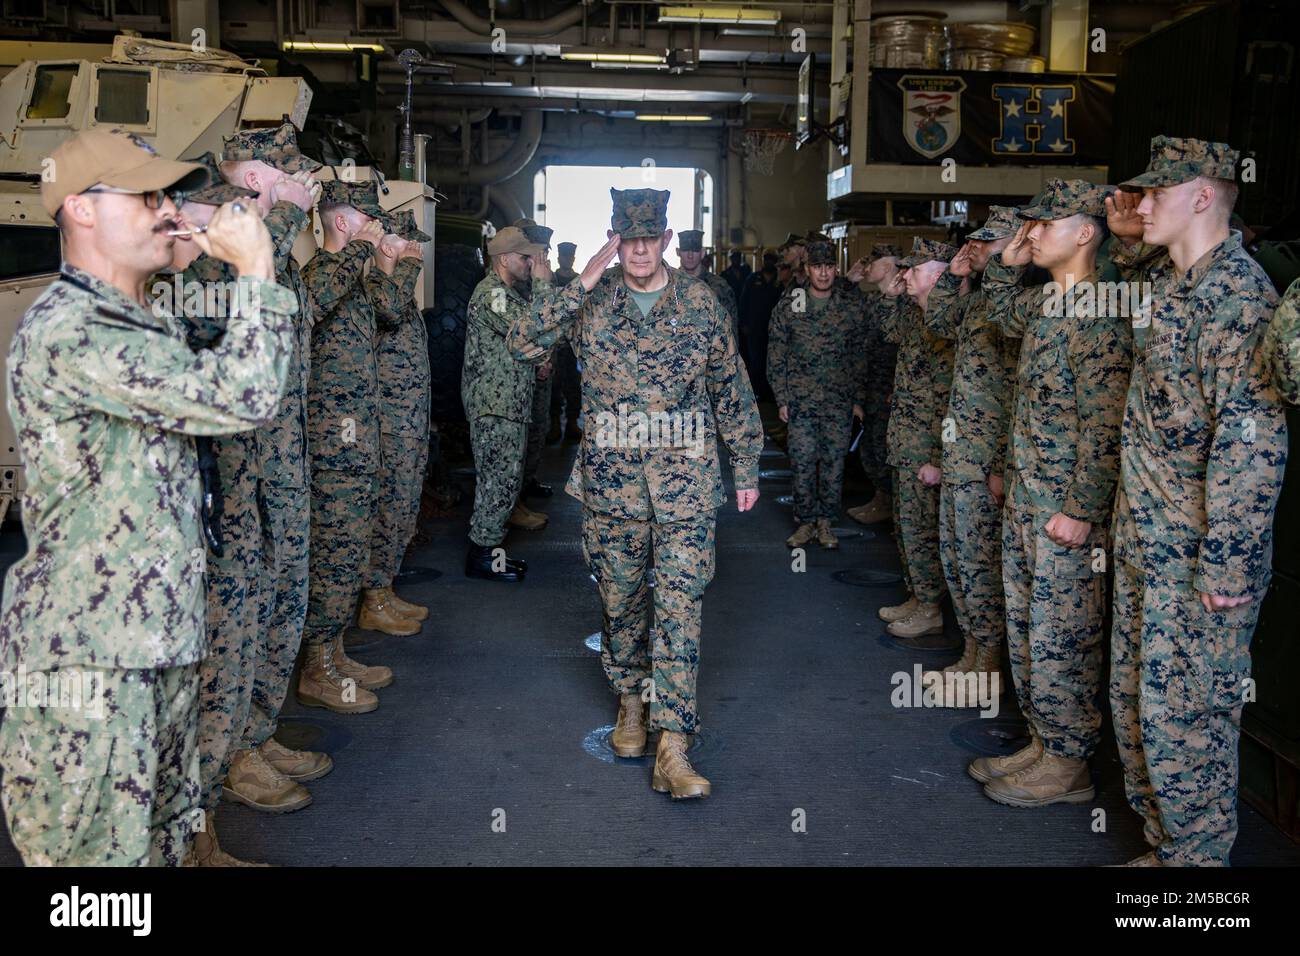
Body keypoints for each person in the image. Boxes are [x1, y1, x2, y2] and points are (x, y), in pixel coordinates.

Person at [0, 128, 295, 866]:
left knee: (155, 847)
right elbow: (243, 397)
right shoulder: (74, 330)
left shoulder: (137, 317)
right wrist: (256, 269)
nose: (168, 210)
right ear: (80, 210)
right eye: (146, 195)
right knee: (99, 878)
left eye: (170, 194)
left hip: (153, 643)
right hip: (94, 664)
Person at [507, 188, 763, 798]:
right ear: (614, 238)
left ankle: (674, 744)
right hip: (613, 486)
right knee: (620, 602)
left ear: (668, 240)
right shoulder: (590, 301)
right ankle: (630, 701)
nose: (641, 249)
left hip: (685, 488)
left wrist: (748, 464)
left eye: (651, 237)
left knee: (680, 607)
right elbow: (522, 343)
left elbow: (731, 383)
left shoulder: (702, 304)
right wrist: (581, 282)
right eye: (629, 237)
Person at [1105, 137, 1287, 865]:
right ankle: (1166, 848)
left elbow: (1251, 446)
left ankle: (1198, 871)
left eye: (1155, 193)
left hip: (1199, 561)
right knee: (1136, 708)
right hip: (1145, 543)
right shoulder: (1169, 285)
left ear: (1203, 196)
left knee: (1190, 723)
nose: (1139, 204)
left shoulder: (1240, 300)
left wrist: (1227, 568)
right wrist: (1126, 246)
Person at [975, 180, 1133, 807]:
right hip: (1028, 499)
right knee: (1030, 631)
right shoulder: (1048, 303)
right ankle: (1044, 742)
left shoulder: (1101, 310)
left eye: (1044, 224)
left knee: (1064, 635)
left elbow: (1106, 423)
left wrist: (1082, 509)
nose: (1030, 234)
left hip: (1064, 513)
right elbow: (994, 317)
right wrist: (1005, 266)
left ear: (1085, 232)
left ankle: (1069, 763)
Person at [215, 122, 335, 814]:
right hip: (239, 472)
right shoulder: (220, 251)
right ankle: (229, 754)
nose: (309, 187)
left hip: (280, 459)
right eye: (296, 175)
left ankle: (255, 734)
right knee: (237, 617)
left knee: (280, 599)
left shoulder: (277, 257)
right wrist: (287, 209)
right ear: (258, 178)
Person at [298, 179, 411, 717]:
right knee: (332, 551)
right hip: (330, 447)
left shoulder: (356, 278)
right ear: (343, 222)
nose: (379, 228)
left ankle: (333, 651)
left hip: (357, 440)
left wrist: (389, 259)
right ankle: (316, 668)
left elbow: (391, 311)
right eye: (370, 220)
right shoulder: (321, 272)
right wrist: (366, 249)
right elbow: (318, 301)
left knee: (348, 552)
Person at [921, 208, 1020, 692]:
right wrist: (954, 277)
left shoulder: (1018, 304)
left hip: (986, 462)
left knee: (982, 565)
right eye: (975, 240)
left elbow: (1021, 397)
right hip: (960, 457)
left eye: (988, 242)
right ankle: (973, 652)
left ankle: (989, 664)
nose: (974, 248)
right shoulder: (981, 301)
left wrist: (1001, 466)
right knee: (959, 560)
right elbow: (938, 321)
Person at [876, 238, 956, 641]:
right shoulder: (917, 316)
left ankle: (930, 607)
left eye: (913, 270)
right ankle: (916, 594)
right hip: (906, 442)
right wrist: (890, 297)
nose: (904, 276)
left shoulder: (950, 325)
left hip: (926, 447)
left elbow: (955, 402)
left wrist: (940, 458)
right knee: (907, 527)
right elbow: (887, 331)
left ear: (939, 275)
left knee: (925, 530)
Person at [767, 239, 868, 549]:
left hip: (838, 401)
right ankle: (805, 521)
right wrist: (782, 397)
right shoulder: (791, 303)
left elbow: (860, 353)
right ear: (807, 269)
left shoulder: (849, 304)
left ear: (835, 268)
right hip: (801, 400)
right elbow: (777, 352)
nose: (823, 273)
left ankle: (826, 522)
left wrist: (858, 399)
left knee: (834, 463)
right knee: (802, 462)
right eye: (817, 267)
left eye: (828, 267)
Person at [362, 208, 434, 629]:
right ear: (388, 245)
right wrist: (404, 265)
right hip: (388, 425)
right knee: (388, 508)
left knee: (403, 508)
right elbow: (387, 310)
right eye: (409, 242)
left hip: (407, 422)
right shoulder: (378, 286)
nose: (416, 250)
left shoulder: (396, 288)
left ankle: (384, 590)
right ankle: (373, 598)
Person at [462, 226, 547, 582]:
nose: (531, 263)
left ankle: (491, 556)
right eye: (525, 257)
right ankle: (484, 558)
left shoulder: (505, 293)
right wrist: (544, 284)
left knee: (505, 481)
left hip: (507, 403)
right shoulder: (493, 295)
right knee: (497, 483)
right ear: (504, 259)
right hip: (495, 406)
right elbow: (535, 329)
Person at [847, 245, 903, 526]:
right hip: (870, 386)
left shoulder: (903, 301)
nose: (867, 267)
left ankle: (891, 504)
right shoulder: (871, 299)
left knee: (884, 448)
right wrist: (848, 284)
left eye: (873, 261)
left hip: (889, 388)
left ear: (891, 264)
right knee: (871, 445)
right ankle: (882, 499)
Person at [515, 219, 559, 507]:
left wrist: (549, 359)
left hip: (542, 371)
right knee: (519, 435)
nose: (541, 258)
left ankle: (528, 480)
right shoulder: (512, 286)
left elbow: (554, 322)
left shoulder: (545, 281)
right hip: (520, 375)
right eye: (537, 252)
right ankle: (514, 494)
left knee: (538, 428)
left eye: (545, 252)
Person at [549, 240, 583, 443]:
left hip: (571, 342)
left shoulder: (579, 281)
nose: (566, 259)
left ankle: (571, 423)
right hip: (554, 341)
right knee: (554, 385)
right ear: (559, 258)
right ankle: (554, 424)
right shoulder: (551, 280)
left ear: (573, 258)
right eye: (564, 256)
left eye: (569, 256)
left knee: (573, 384)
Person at [676, 229, 739, 336]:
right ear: (678, 252)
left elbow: (731, 330)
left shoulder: (720, 287)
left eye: (695, 250)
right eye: (686, 250)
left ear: (702, 253)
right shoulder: (667, 285)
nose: (690, 255)